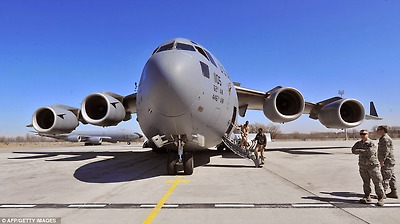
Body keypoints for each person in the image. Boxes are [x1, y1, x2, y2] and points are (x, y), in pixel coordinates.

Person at [352, 130, 385, 206]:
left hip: (373, 166)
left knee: (377, 182)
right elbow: (353, 150)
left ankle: (380, 198)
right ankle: (367, 196)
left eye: (364, 134)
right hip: (363, 166)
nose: (362, 135)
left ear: (368, 134)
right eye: (361, 134)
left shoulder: (371, 143)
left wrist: (359, 151)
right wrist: (362, 150)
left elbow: (370, 152)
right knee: (366, 182)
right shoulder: (358, 143)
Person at [377, 125, 397, 198]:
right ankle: (393, 192)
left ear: (383, 130)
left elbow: (386, 151)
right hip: (389, 161)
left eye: (378, 129)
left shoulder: (385, 139)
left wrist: (382, 160)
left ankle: (382, 194)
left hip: (387, 161)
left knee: (385, 177)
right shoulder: (383, 138)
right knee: (391, 176)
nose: (377, 131)